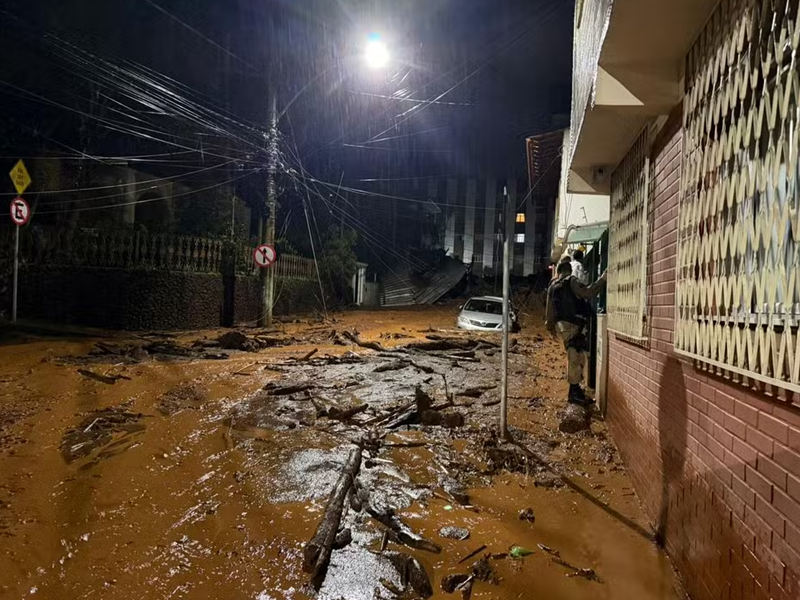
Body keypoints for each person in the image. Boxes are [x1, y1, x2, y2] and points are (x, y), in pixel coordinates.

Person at [545, 261, 606, 405]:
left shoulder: (552, 287)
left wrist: (550, 327)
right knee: (576, 357)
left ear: (558, 271)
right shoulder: (571, 281)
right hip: (573, 325)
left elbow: (549, 310)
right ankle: (574, 392)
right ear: (569, 271)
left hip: (562, 326)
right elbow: (587, 292)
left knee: (575, 356)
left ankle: (575, 390)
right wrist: (602, 280)